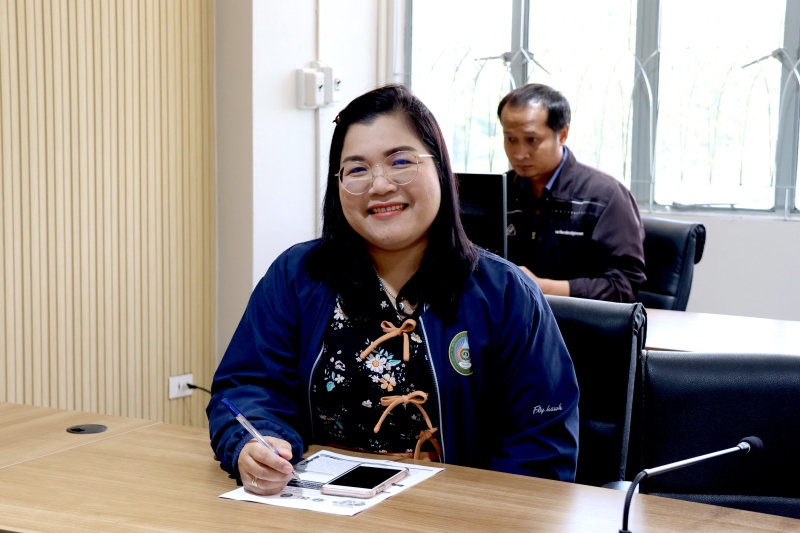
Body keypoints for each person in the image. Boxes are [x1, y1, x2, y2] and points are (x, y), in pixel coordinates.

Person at [207, 85, 579, 496]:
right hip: (319, 508)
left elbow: (540, 446)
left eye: (401, 162)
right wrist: (257, 442)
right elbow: (249, 386)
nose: (380, 185)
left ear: (440, 169)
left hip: (455, 515)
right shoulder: (298, 276)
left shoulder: (505, 294)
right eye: (357, 169)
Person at [499, 83, 646, 303]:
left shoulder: (605, 196)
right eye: (511, 139)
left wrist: (543, 288)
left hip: (578, 320)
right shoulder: (501, 192)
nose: (519, 154)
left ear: (563, 134)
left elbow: (625, 285)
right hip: (511, 318)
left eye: (532, 140)